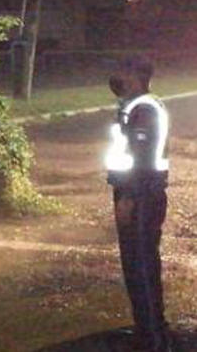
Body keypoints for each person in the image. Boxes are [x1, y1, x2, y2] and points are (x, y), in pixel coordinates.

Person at [105, 57, 172, 351]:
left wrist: (129, 197)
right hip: (135, 191)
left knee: (141, 266)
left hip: (141, 194)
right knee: (135, 264)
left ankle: (154, 339)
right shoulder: (135, 106)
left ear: (136, 76)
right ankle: (147, 327)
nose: (117, 76)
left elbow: (142, 158)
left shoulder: (145, 108)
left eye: (123, 71)